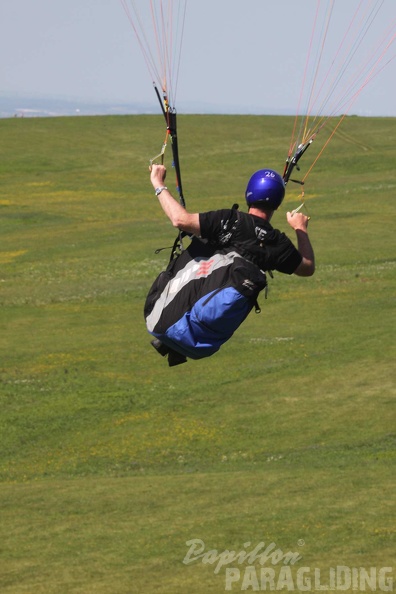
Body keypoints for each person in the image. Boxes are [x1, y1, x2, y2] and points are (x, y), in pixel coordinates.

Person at [144, 164, 315, 366]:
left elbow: (180, 219)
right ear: (277, 204)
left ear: (248, 194)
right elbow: (307, 267)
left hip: (160, 320)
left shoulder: (231, 221)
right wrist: (300, 228)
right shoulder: (277, 244)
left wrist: (158, 183)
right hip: (201, 346)